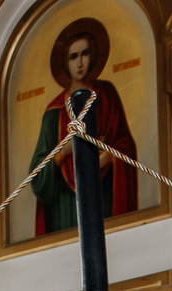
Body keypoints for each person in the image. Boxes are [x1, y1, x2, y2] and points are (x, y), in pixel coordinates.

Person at [29, 26, 141, 235]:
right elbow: (37, 174)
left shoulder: (107, 96)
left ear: (94, 56)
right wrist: (64, 152)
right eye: (73, 57)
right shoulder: (55, 112)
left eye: (85, 54)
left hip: (103, 196)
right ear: (65, 63)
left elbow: (125, 143)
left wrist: (110, 157)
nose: (80, 63)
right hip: (66, 207)